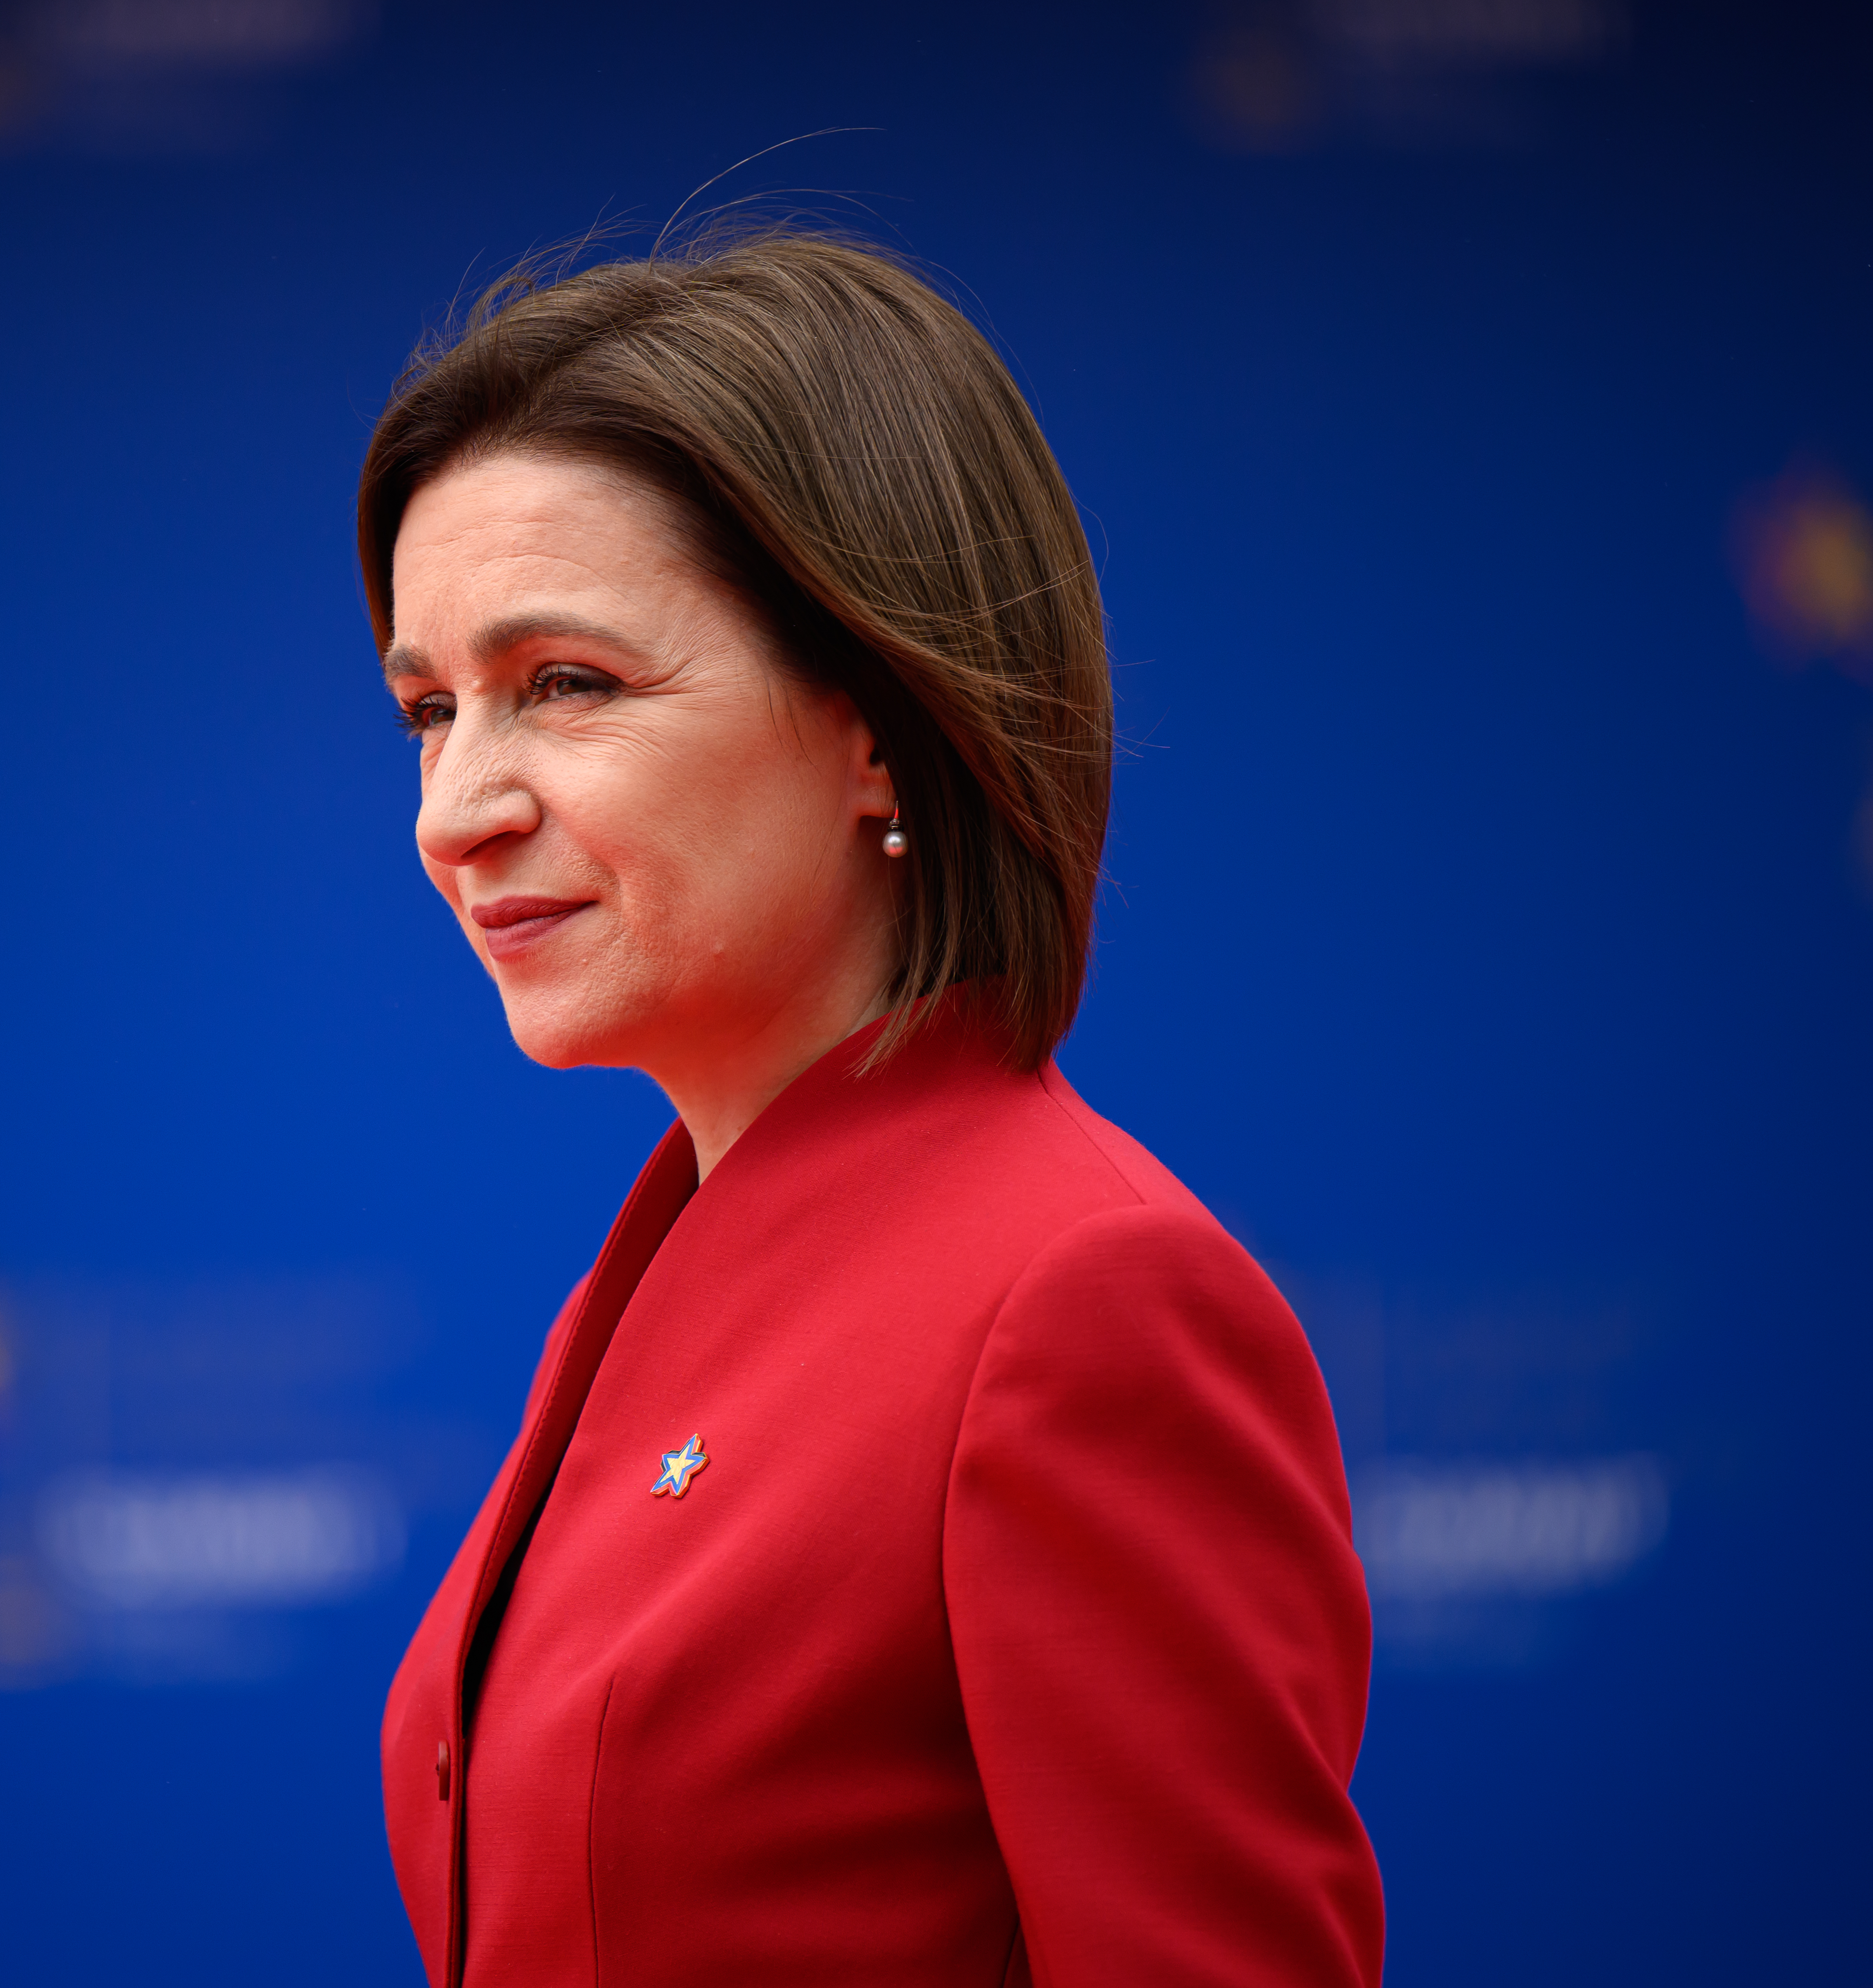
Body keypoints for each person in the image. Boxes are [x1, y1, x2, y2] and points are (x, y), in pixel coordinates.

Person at [361, 228, 1381, 1988]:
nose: (458, 807)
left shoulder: (1081, 1304)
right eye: (429, 710)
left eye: (569, 687)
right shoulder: (656, 1274)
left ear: (884, 725)